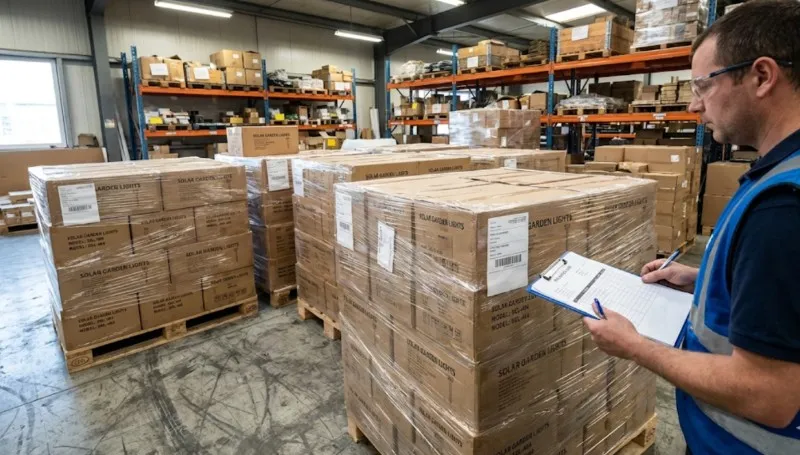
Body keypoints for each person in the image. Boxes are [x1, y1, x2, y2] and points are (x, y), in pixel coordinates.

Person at [582, 1, 800, 454]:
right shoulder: (777, 175)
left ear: (762, 76)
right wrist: (703, 280)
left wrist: (636, 346)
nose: (693, 102)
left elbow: (769, 394)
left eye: (704, 83)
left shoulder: (781, 208)